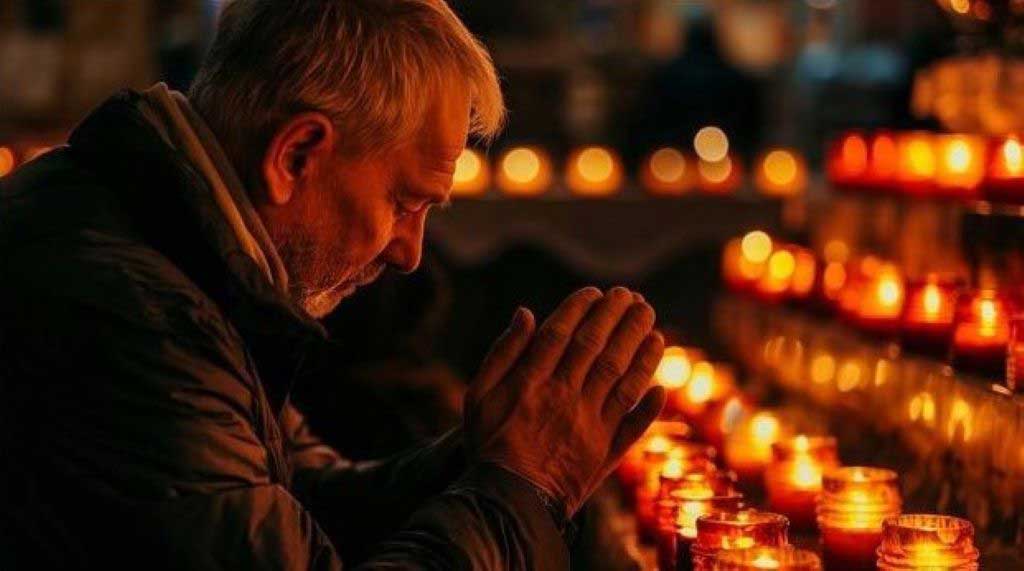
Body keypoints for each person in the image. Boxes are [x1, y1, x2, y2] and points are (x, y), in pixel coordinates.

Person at [0, 1, 666, 569]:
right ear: (295, 156)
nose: (410, 253)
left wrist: (481, 455)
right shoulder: (135, 319)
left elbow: (296, 499)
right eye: (405, 203)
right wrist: (526, 482)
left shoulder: (172, 239)